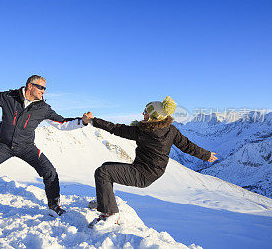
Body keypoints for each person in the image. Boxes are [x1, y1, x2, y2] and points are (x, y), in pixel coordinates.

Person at [0, 75, 92, 224]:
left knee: (50, 171)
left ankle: (54, 206)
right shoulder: (9, 97)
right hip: (4, 146)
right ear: (30, 86)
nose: (43, 91)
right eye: (41, 87)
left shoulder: (43, 108)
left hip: (27, 147)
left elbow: (62, 123)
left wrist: (83, 122)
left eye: (45, 88)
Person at [84, 96, 217, 228]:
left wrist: (92, 120)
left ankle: (110, 214)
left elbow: (115, 128)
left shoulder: (143, 131)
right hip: (152, 172)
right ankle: (104, 201)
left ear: (154, 116)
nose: (143, 113)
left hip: (142, 174)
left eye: (146, 111)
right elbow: (187, 145)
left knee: (102, 172)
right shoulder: (171, 130)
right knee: (106, 167)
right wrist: (206, 155)